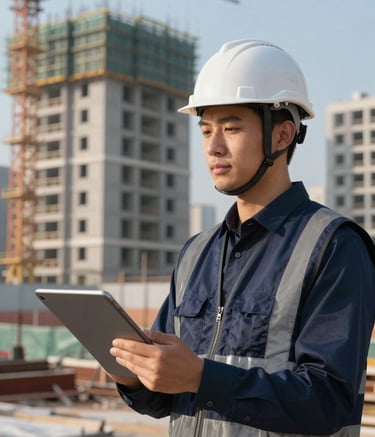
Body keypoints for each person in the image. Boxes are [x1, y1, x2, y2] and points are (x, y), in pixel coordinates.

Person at [109, 39, 375, 437]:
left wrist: (203, 377)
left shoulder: (334, 246)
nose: (214, 147)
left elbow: (329, 401)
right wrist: (133, 375)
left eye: (231, 128)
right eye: (206, 131)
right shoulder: (196, 253)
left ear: (283, 135)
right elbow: (165, 398)